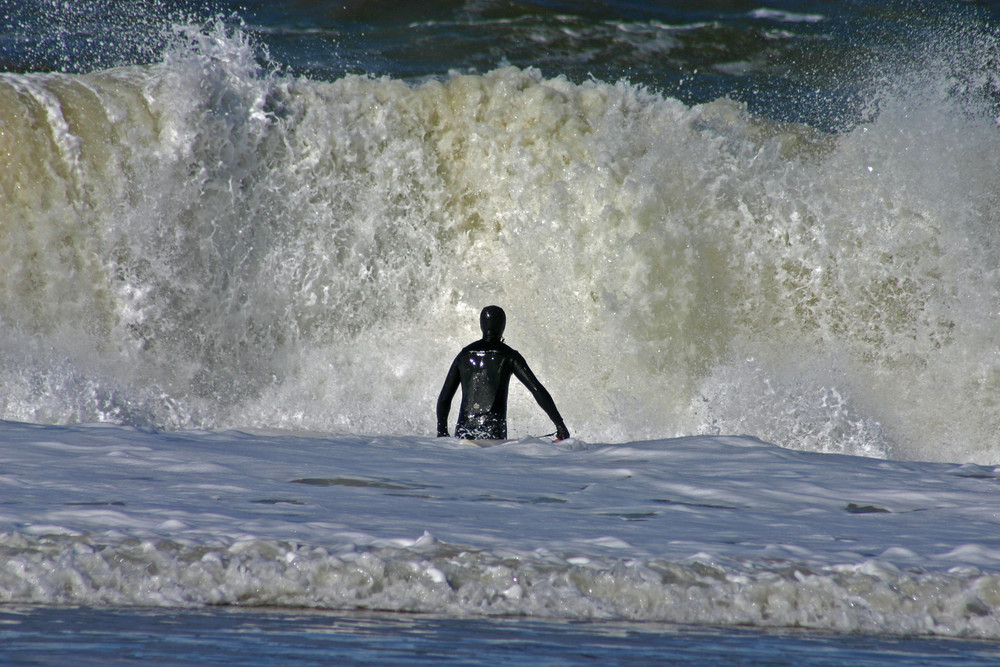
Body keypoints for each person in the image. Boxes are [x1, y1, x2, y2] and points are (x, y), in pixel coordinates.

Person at [437, 305, 570, 441]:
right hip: (493, 432)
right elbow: (536, 389)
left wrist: (442, 432)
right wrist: (560, 425)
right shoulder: (508, 355)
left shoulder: (464, 354)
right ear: (503, 326)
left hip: (464, 431)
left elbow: (444, 398)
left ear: (481, 325)